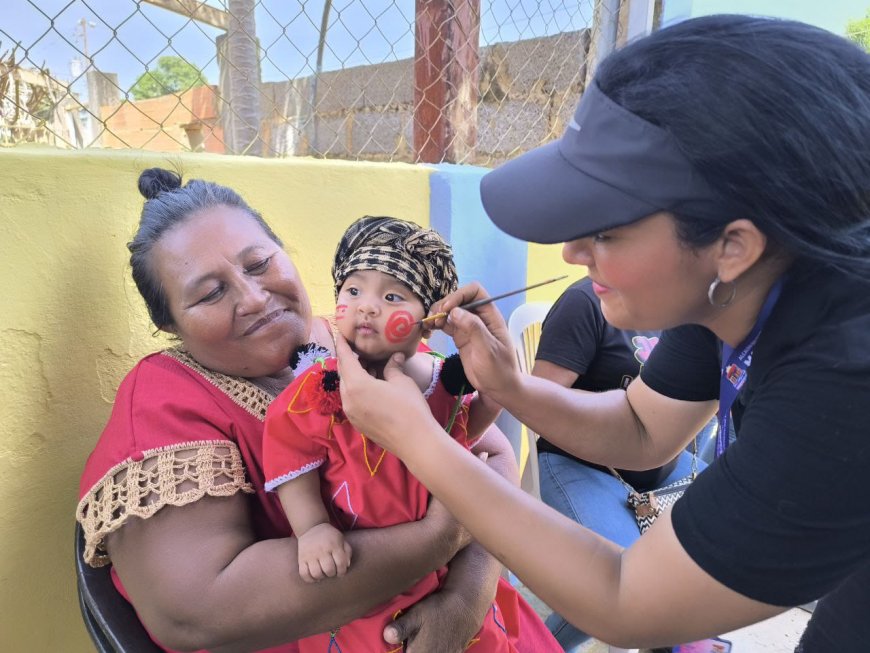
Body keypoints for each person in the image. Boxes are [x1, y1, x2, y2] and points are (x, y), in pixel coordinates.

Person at [331, 15, 870, 653]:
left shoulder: (844, 378)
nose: (571, 252)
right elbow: (642, 430)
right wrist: (508, 385)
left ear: (733, 246)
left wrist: (416, 439)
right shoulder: (736, 289)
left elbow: (627, 597)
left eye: (606, 231)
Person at [75, 168, 559, 653]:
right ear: (169, 322)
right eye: (210, 293)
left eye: (259, 263)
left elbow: (490, 453)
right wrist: (438, 536)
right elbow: (196, 611)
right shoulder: (166, 400)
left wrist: (466, 598)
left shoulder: (351, 338)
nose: (254, 298)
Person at [263, 216, 550, 652]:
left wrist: (499, 382)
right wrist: (314, 528)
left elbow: (465, 431)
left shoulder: (442, 378)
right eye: (353, 290)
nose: (367, 306)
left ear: (431, 319)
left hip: (446, 567)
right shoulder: (320, 387)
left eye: (392, 296)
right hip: (362, 565)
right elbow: (291, 457)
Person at [533, 277, 708, 650]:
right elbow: (539, 400)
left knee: (723, 547)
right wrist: (627, 410)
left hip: (666, 468)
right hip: (581, 463)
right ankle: (537, 645)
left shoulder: (686, 301)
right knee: (628, 580)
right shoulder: (584, 302)